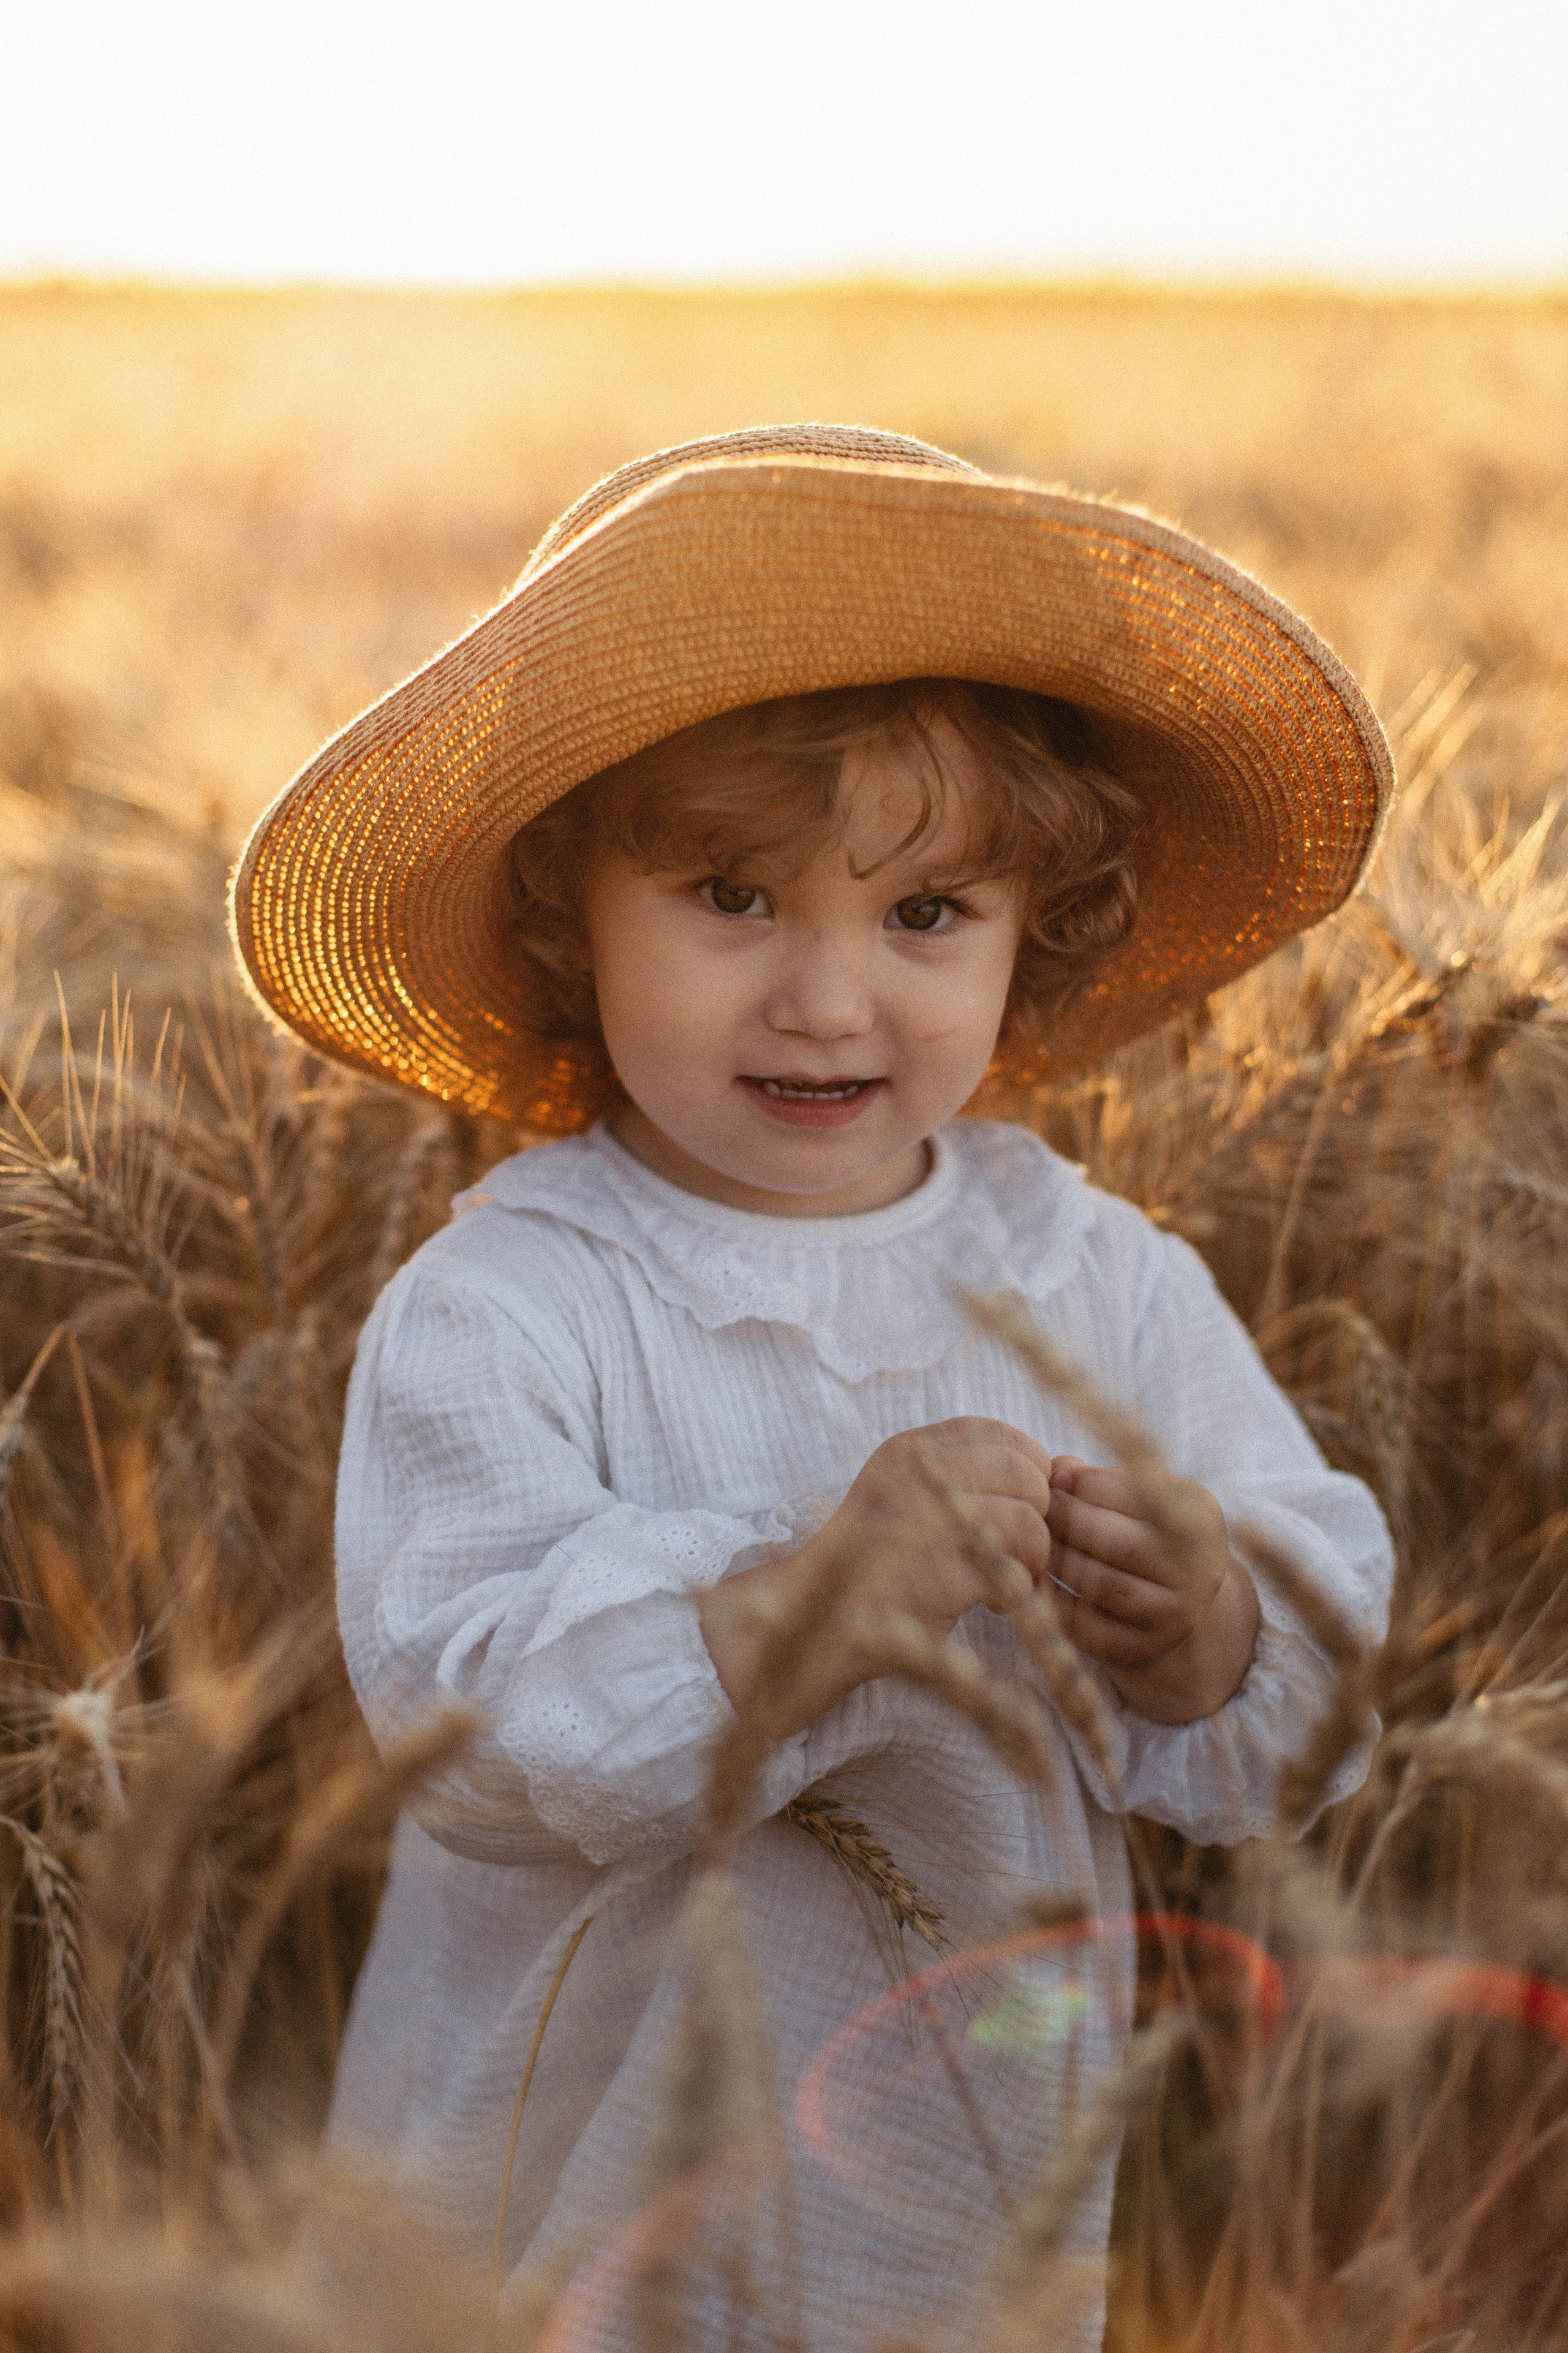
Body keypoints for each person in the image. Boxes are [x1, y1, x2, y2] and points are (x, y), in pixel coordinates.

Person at [231, 425, 1396, 2350]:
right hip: (563, 2205)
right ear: (563, 909)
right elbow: (488, 1708)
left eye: (926, 914)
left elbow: (1316, 1658)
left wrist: (1213, 1619)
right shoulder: (512, 1306)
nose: (830, 997)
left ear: (1036, 934)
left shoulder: (1090, 1276)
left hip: (950, 2208)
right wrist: (810, 1605)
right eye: (728, 893)